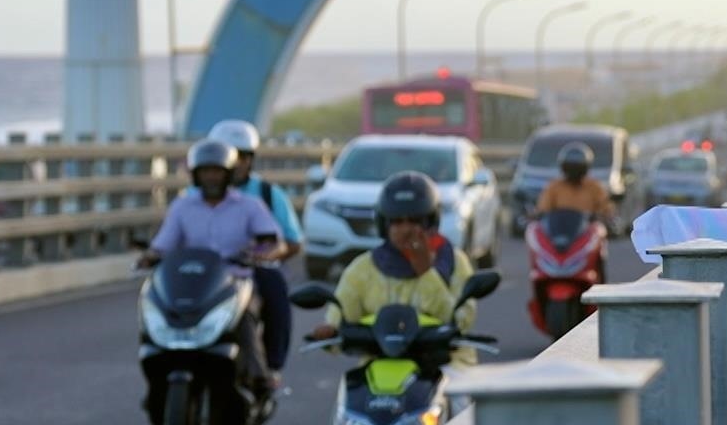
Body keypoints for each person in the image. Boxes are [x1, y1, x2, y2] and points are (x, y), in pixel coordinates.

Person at [140, 139, 284, 390]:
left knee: (245, 316)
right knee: (159, 309)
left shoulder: (249, 205)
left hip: (235, 281)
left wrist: (259, 254)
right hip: (193, 283)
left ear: (229, 174)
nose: (211, 178)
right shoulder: (182, 206)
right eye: (205, 171)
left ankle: (259, 374)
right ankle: (158, 376)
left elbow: (272, 242)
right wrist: (149, 256)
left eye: (217, 171)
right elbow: (163, 245)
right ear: (196, 175)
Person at [309, 171, 477, 363]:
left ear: (431, 222)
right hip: (381, 366)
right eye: (397, 221)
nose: (406, 229)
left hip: (445, 364)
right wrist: (329, 332)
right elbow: (339, 323)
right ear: (384, 224)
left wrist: (426, 273)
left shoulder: (454, 261)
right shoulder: (363, 269)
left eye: (415, 220)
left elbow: (462, 323)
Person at [206, 119, 304, 382]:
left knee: (275, 290)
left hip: (251, 270)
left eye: (242, 156)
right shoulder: (193, 195)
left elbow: (291, 241)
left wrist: (264, 256)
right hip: (207, 270)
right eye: (228, 156)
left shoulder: (266, 194)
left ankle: (271, 366)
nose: (235, 163)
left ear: (250, 160)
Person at [535, 142, 616, 224]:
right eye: (571, 168)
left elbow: (606, 211)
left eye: (578, 168)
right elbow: (543, 210)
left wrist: (605, 217)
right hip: (558, 229)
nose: (574, 172)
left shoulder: (594, 187)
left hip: (587, 230)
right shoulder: (554, 187)